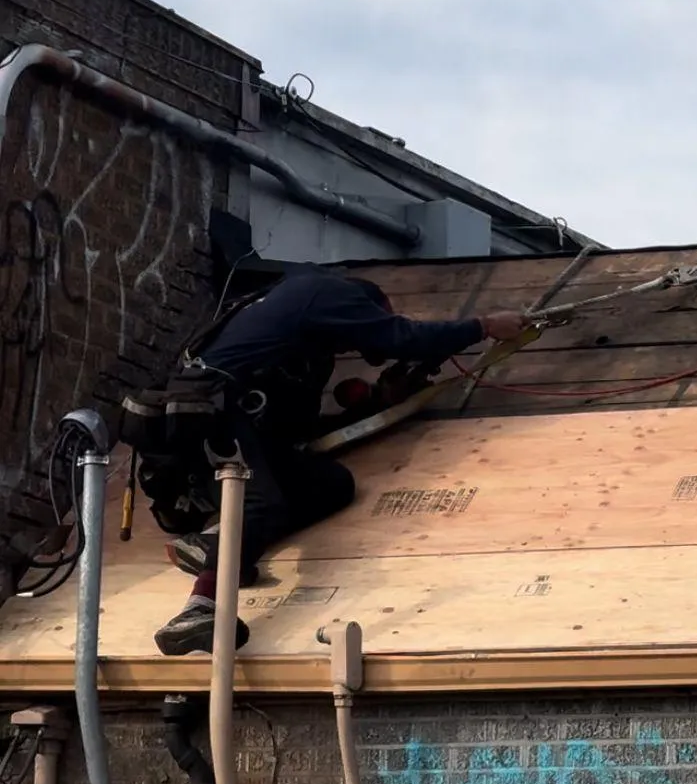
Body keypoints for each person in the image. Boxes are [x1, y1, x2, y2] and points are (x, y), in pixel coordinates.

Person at [148, 271, 529, 655]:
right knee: (259, 504)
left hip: (241, 422)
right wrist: (484, 326)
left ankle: (219, 544)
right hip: (209, 412)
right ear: (367, 301)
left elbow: (302, 435)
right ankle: (199, 609)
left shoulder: (303, 344)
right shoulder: (325, 290)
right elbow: (401, 336)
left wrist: (378, 402)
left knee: (331, 485)